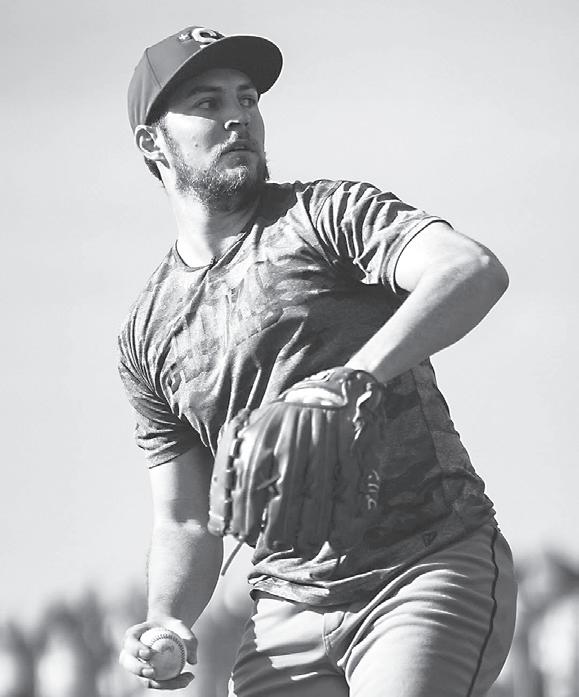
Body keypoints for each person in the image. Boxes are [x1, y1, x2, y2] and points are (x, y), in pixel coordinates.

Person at [117, 24, 517, 697]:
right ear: (151, 142)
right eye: (208, 103)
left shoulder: (326, 215)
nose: (238, 116)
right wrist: (166, 617)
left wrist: (353, 378)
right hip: (284, 611)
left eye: (247, 98)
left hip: (422, 569)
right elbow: (184, 518)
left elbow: (469, 269)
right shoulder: (146, 332)